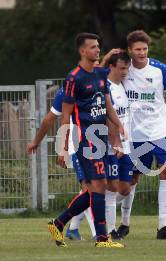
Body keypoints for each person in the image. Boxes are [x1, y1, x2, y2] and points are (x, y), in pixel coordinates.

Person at [47, 32, 126, 248]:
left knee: (95, 190)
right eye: (93, 47)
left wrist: (118, 125)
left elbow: (107, 105)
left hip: (101, 138)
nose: (97, 50)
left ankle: (59, 223)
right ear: (83, 51)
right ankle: (102, 238)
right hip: (86, 139)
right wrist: (63, 148)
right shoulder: (74, 78)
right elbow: (65, 116)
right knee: (99, 186)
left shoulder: (101, 74)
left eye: (99, 46)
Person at [123, 30, 166, 239]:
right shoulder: (123, 70)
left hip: (161, 129)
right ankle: (124, 223)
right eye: (138, 49)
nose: (142, 53)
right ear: (130, 50)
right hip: (135, 133)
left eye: (145, 49)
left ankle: (163, 226)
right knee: (132, 178)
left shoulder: (159, 69)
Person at [27, 87, 96, 241]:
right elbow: (49, 119)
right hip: (78, 146)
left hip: (99, 145)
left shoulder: (102, 83)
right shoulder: (69, 88)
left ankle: (71, 227)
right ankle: (98, 234)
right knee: (90, 189)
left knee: (98, 190)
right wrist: (38, 142)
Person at [104, 50, 136, 240]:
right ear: (112, 67)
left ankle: (95, 206)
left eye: (127, 68)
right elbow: (107, 117)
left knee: (125, 188)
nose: (125, 72)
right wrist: (115, 141)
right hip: (110, 146)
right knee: (111, 187)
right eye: (122, 68)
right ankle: (110, 229)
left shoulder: (123, 85)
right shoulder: (105, 87)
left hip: (127, 145)